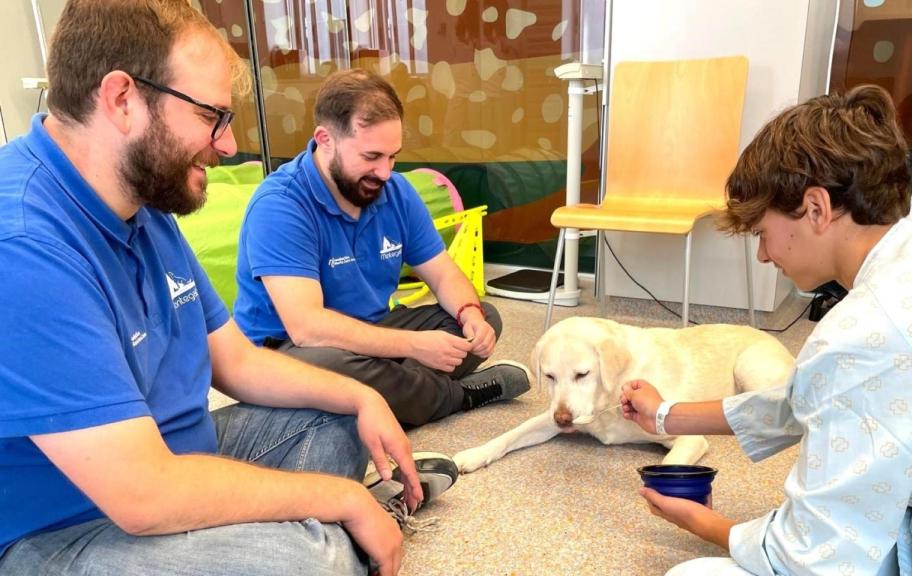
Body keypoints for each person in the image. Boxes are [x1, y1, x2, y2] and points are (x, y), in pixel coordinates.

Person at [0, 2, 450, 575]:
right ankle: (334, 533)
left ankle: (329, 529)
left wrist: (363, 397)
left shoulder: (143, 198)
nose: (230, 144)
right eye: (212, 116)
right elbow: (144, 495)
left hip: (176, 458)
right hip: (65, 530)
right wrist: (339, 498)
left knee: (336, 416)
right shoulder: (23, 245)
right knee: (307, 563)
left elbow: (235, 361)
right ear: (121, 99)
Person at [620, 85, 912, 575]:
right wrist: (665, 416)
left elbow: (813, 558)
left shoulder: (870, 332)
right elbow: (815, 394)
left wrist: (707, 524)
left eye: (762, 234)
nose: (764, 255)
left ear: (816, 208)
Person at [233, 69, 530, 427]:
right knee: (330, 367)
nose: (385, 172)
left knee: (484, 317)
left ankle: (388, 397)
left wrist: (469, 314)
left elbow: (442, 273)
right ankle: (456, 397)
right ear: (325, 139)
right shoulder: (280, 205)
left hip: (371, 326)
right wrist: (411, 346)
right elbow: (307, 327)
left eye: (392, 157)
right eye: (372, 156)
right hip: (288, 349)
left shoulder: (397, 191)